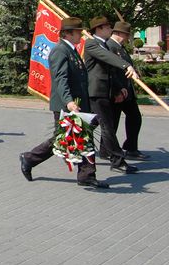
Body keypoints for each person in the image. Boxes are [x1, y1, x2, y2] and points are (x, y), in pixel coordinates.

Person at [20, 17, 109, 188]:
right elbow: (60, 79)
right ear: (68, 34)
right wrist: (69, 101)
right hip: (67, 104)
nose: (80, 35)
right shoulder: (60, 51)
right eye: (78, 32)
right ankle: (29, 158)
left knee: (82, 137)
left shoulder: (71, 50)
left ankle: (86, 175)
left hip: (78, 103)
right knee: (64, 139)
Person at [84, 16, 140, 174]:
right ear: (99, 29)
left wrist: (119, 88)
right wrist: (126, 65)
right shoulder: (92, 44)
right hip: (95, 92)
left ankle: (71, 145)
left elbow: (110, 72)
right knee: (107, 126)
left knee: (89, 125)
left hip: (106, 92)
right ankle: (117, 160)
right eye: (108, 27)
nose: (111, 30)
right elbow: (107, 58)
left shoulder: (104, 45)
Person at [106, 21, 148, 160]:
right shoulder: (109, 46)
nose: (127, 38)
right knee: (112, 122)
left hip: (127, 91)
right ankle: (107, 149)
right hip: (117, 91)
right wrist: (117, 90)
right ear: (118, 33)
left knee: (135, 117)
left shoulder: (120, 47)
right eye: (126, 35)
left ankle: (130, 147)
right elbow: (111, 70)